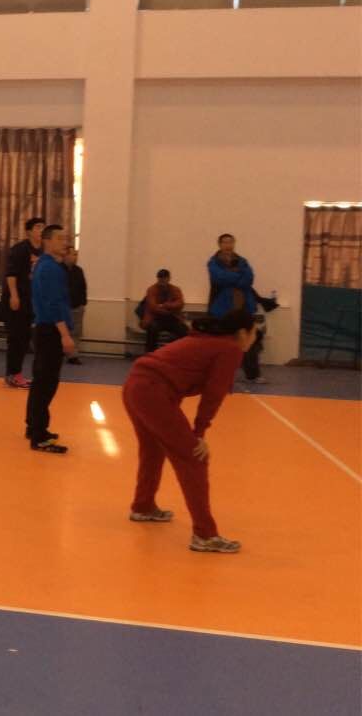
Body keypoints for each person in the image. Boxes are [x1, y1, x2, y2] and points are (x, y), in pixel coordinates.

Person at [121, 308, 258, 553]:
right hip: (151, 391)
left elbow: (177, 374)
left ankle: (143, 506)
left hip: (136, 385)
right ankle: (205, 535)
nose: (255, 338)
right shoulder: (229, 349)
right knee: (194, 457)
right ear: (242, 333)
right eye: (254, 333)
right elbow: (213, 394)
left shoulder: (208, 340)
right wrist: (199, 434)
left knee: (153, 450)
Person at [25, 224, 76, 453]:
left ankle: (33, 427)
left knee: (40, 382)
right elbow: (53, 304)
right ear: (47, 241)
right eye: (60, 238)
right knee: (46, 384)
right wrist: (65, 335)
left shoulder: (45, 266)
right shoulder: (50, 269)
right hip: (50, 331)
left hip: (45, 329)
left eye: (65, 238)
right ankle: (39, 435)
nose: (65, 242)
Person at [207, 234, 267, 386]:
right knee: (220, 343)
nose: (228, 245)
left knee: (250, 341)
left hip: (243, 308)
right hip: (222, 309)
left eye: (231, 242)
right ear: (219, 244)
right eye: (225, 242)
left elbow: (249, 279)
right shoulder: (213, 262)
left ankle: (252, 375)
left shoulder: (243, 261)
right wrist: (238, 276)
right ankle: (218, 373)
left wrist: (234, 277)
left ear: (234, 244)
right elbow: (219, 278)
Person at [2, 217, 44, 389]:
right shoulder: (20, 249)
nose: (41, 230)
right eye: (38, 227)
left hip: (32, 301)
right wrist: (14, 296)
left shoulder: (43, 252)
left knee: (26, 338)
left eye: (43, 227)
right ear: (29, 232)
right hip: (17, 299)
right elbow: (11, 274)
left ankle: (17, 374)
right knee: (17, 338)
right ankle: (13, 375)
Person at [141, 268, 188, 353]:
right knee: (152, 329)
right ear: (157, 278)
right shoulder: (151, 289)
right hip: (156, 318)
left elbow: (180, 304)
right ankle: (150, 353)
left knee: (185, 331)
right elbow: (153, 307)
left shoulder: (175, 289)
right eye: (160, 278)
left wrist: (164, 305)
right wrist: (171, 309)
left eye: (164, 277)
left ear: (169, 278)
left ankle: (181, 353)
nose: (162, 280)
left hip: (172, 317)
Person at [63, 246, 87, 365]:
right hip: (63, 307)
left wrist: (83, 303)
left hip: (77, 306)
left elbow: (83, 287)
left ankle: (73, 355)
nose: (75, 257)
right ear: (66, 255)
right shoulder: (59, 270)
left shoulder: (78, 270)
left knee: (76, 332)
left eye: (76, 254)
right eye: (73, 254)